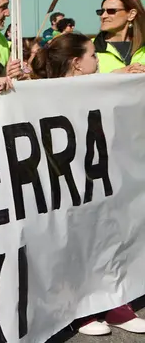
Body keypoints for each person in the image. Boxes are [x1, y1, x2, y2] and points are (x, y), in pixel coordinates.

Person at [29, 32, 145, 336]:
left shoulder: (97, 85)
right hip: (65, 181)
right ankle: (77, 310)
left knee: (105, 234)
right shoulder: (41, 92)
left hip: (97, 176)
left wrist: (123, 78)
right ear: (76, 63)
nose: (98, 60)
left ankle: (113, 302)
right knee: (72, 241)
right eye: (93, 55)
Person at [94, 0, 145, 74]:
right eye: (101, 11)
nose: (103, 16)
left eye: (111, 11)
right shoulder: (89, 48)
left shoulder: (143, 47)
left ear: (131, 14)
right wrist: (115, 75)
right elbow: (79, 82)